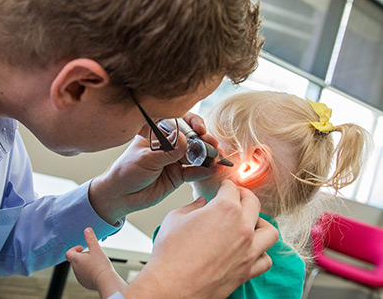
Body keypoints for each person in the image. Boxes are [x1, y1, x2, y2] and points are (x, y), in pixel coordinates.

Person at [0, 0, 278, 298]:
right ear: (77, 86)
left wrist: (107, 197)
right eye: (154, 118)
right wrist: (167, 289)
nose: (154, 133)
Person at [66, 91, 370, 299]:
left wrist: (102, 275)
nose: (191, 147)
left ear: (251, 165)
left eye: (204, 143)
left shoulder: (186, 234)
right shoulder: (292, 266)